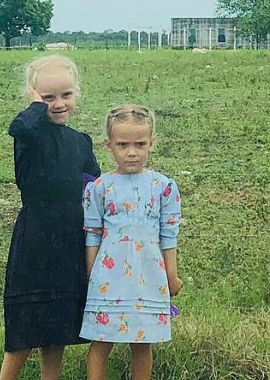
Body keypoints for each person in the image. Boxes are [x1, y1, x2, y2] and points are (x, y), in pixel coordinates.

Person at [0, 55, 101, 380]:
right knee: (24, 329)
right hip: (35, 238)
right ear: (33, 96)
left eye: (65, 95)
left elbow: (95, 188)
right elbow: (18, 126)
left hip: (71, 238)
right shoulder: (29, 136)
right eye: (48, 97)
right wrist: (34, 107)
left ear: (77, 94)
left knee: (56, 329)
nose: (58, 104)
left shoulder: (80, 142)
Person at [81, 104, 183, 380]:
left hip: (149, 276)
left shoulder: (163, 186)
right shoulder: (99, 188)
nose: (132, 152)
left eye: (140, 144)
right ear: (109, 145)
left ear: (152, 143)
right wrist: (91, 274)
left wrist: (170, 275)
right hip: (107, 277)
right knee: (101, 340)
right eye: (123, 144)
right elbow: (92, 233)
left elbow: (169, 234)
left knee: (142, 342)